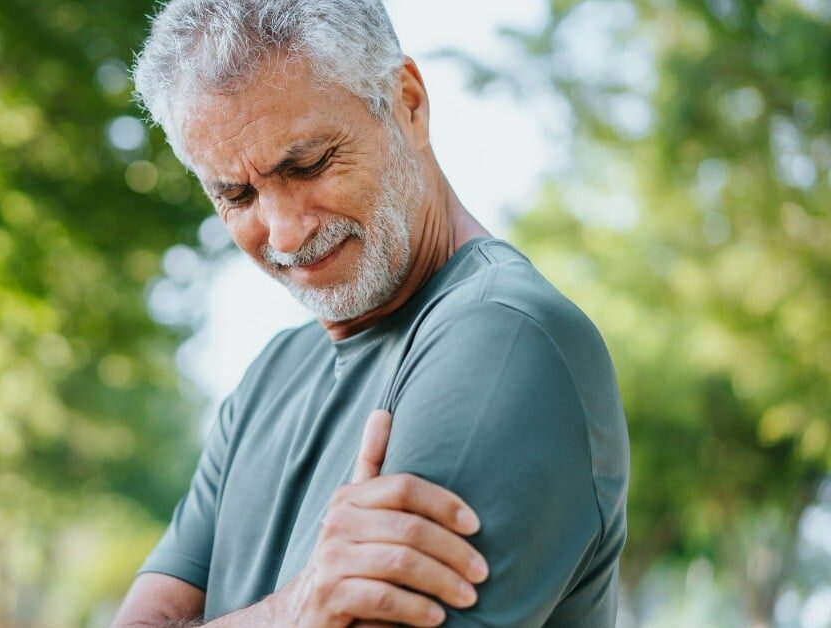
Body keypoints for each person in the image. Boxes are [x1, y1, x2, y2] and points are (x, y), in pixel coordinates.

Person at [112, 1, 630, 626]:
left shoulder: (503, 338)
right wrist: (288, 613)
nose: (284, 232)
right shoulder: (272, 373)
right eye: (238, 194)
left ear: (408, 103)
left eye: (308, 165)